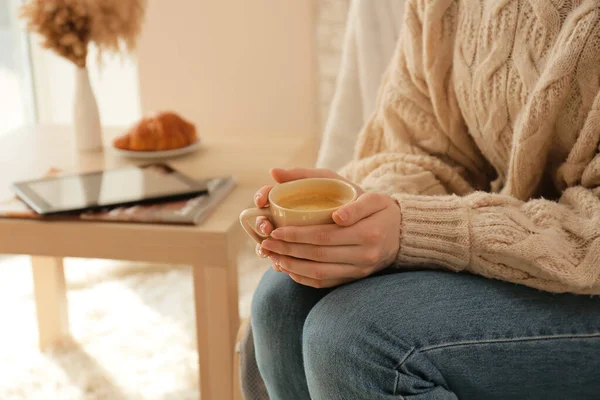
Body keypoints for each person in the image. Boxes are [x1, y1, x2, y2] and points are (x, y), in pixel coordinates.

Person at [250, 0, 600, 398]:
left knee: (355, 341)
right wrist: (365, 215)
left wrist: (415, 228)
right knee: (282, 300)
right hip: (528, 249)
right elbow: (417, 144)